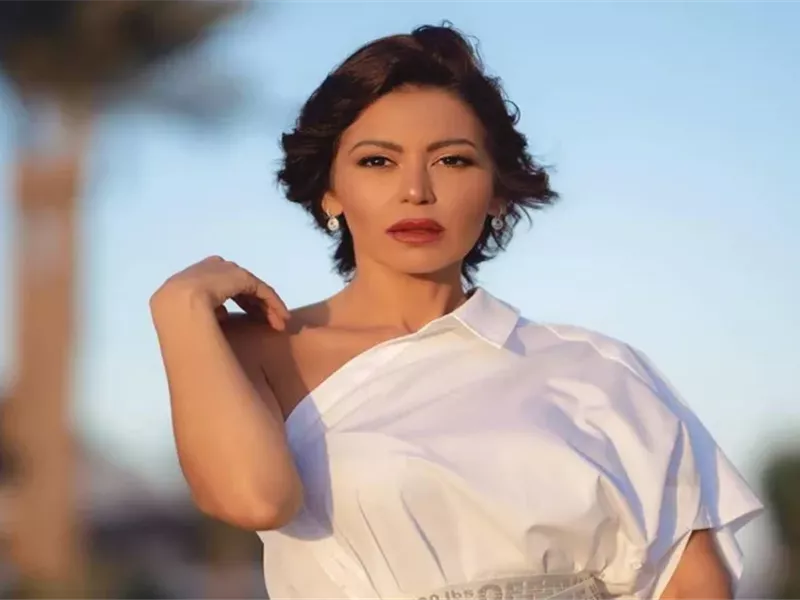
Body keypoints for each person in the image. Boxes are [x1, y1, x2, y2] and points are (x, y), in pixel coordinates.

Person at [150, 24, 763, 600]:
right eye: (377, 161)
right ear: (330, 191)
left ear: (497, 191)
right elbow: (255, 501)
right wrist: (177, 306)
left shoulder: (597, 370)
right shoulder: (259, 353)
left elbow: (691, 583)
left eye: (453, 160)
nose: (416, 190)